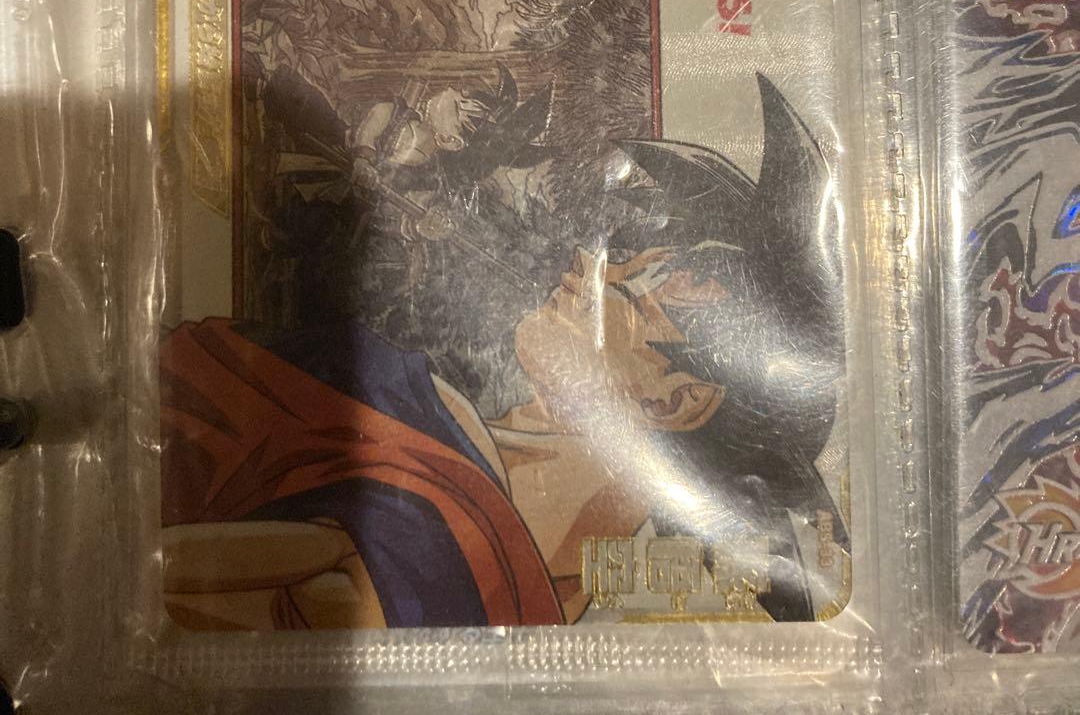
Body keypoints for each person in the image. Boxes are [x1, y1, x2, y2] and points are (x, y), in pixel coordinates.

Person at [159, 76, 846, 628]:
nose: (587, 264)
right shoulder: (417, 401)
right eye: (621, 257)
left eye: (634, 288)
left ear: (673, 401)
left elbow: (146, 584)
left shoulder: (467, 561)